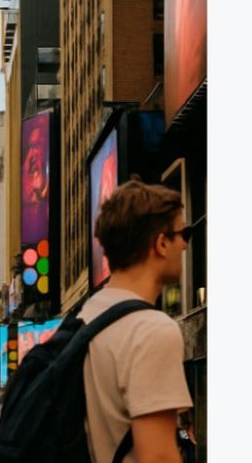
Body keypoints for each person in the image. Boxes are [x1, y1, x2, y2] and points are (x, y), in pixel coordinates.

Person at [78, 179, 194, 463]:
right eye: (184, 234)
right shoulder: (150, 330)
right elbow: (157, 456)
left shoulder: (86, 316)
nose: (185, 245)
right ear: (161, 243)